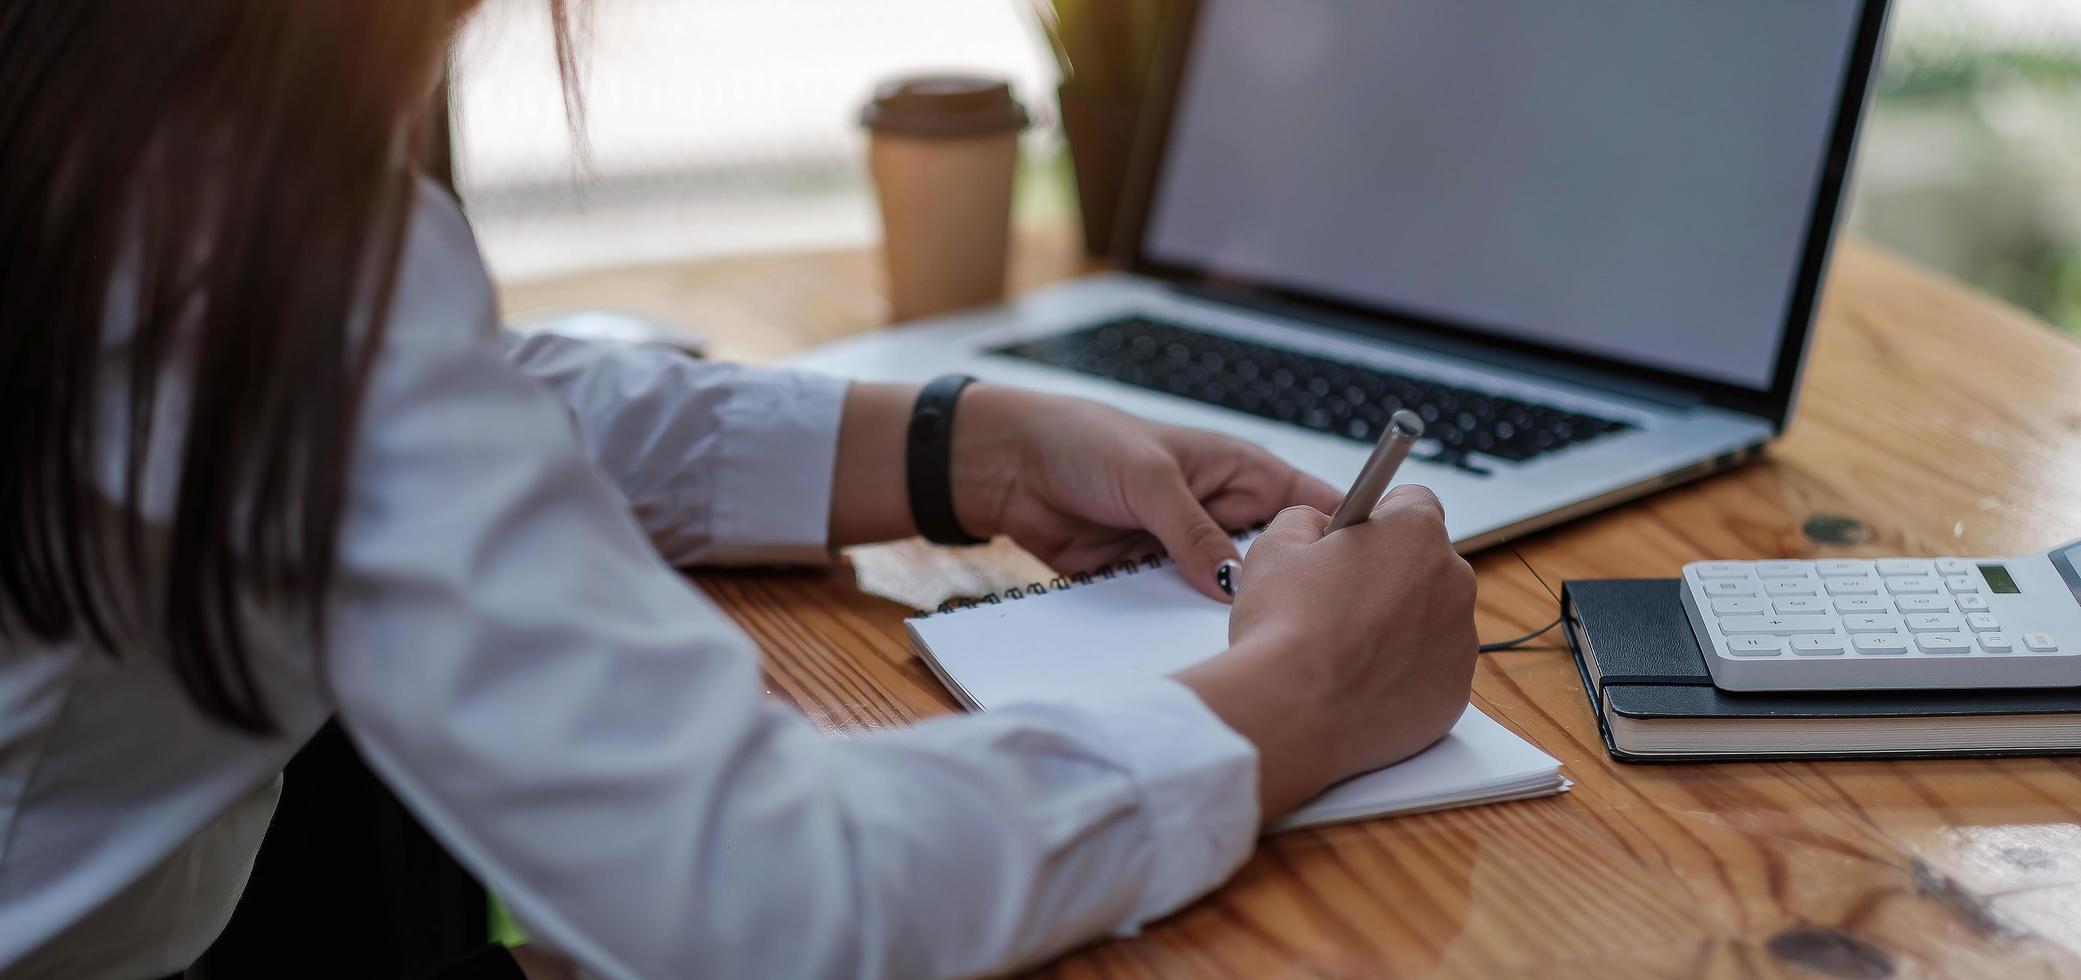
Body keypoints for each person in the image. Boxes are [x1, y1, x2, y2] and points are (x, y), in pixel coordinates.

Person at [0, 2, 1480, 978]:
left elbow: (423, 404)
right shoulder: (227, 250)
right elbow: (768, 901)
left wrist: (955, 446)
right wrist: (1308, 684)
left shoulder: (91, 123)